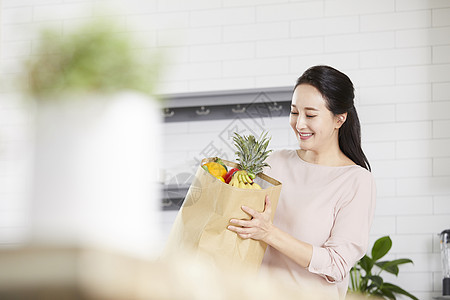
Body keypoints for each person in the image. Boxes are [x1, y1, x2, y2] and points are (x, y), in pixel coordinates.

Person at [227, 65, 377, 299]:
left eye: (311, 115)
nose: (299, 124)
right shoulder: (275, 162)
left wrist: (269, 233)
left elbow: (336, 265)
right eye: (294, 112)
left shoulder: (355, 180)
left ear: (339, 119)